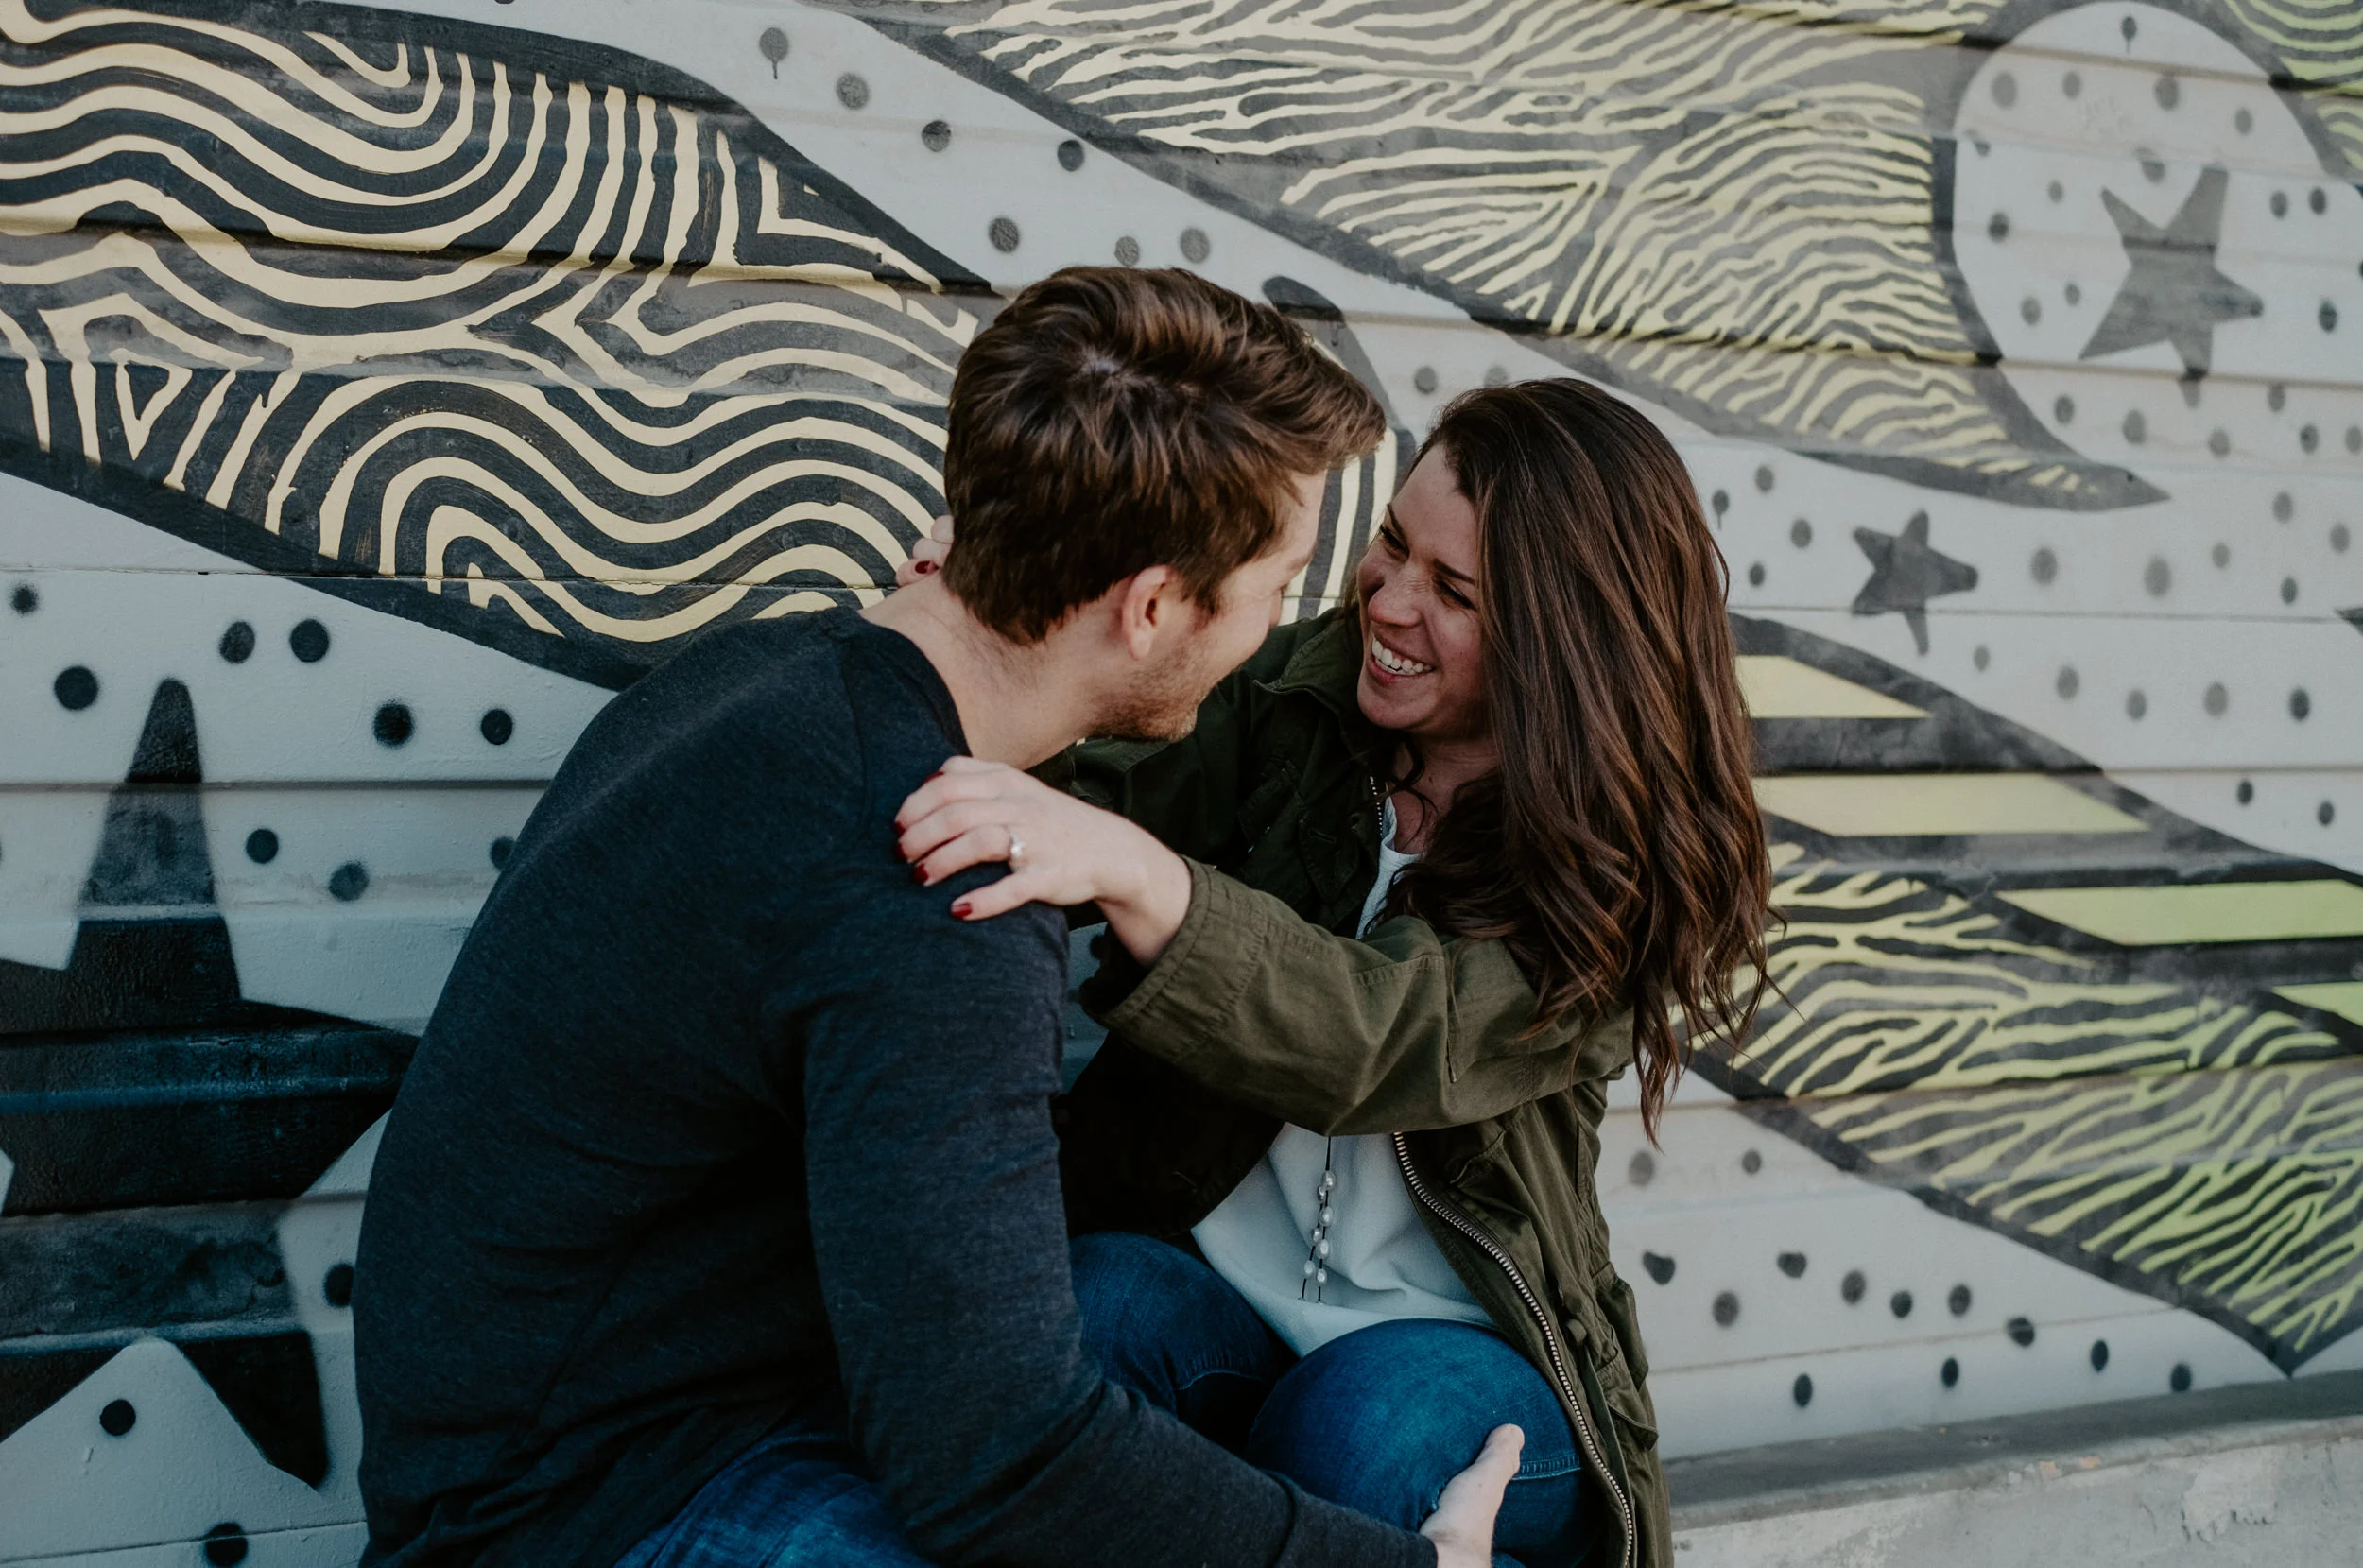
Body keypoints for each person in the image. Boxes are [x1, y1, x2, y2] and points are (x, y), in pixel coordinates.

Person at [349, 267, 1526, 1568]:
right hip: (609, 1513)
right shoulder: (933, 881)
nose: (1288, 621)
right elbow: (1006, 1461)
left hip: (550, 1454)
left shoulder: (763, 680)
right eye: (1272, 582)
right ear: (1150, 607)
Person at [893, 376, 1774, 1568]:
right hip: (1213, 1288)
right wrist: (992, 632)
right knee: (1080, 1317)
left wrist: (1151, 882)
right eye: (1392, 545)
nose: (1389, 601)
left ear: (1560, 640)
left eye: (1453, 591)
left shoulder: (1612, 876)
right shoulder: (1291, 696)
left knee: (1360, 1432)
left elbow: (1388, 1037)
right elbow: (1075, 769)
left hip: (1453, 1344)